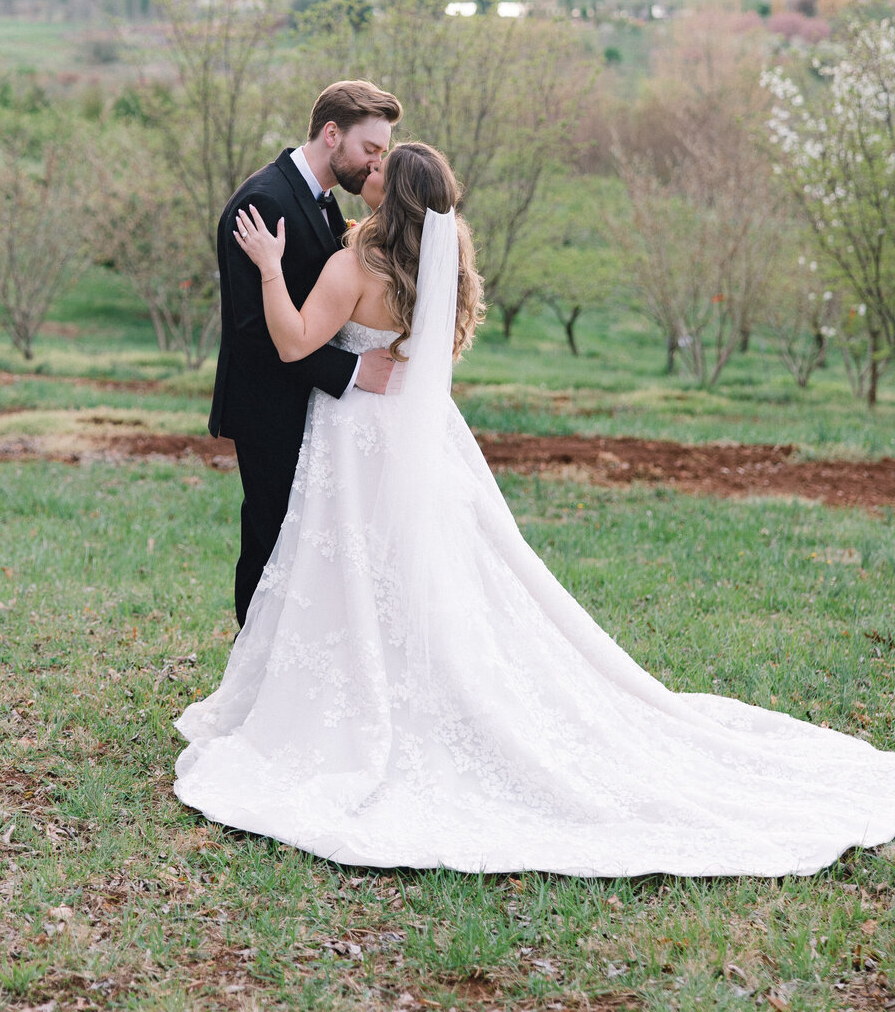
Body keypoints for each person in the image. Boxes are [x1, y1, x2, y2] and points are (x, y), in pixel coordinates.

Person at [176, 140, 895, 876]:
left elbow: (296, 342)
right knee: (415, 567)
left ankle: (361, 697)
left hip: (357, 439)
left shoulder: (353, 266)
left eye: (382, 169)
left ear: (390, 199)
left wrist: (269, 268)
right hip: (418, 436)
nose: (371, 169)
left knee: (354, 567)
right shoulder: (441, 264)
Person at [210, 80, 403, 626]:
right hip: (270, 406)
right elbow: (254, 332)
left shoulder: (322, 204)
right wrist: (352, 372)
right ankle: (250, 671)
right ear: (332, 134)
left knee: (307, 546)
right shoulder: (264, 201)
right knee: (271, 540)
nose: (374, 166)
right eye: (371, 150)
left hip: (309, 403)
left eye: (382, 155)